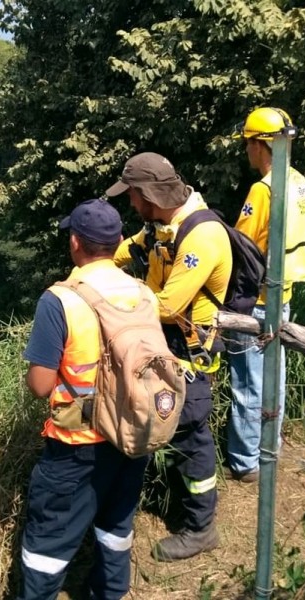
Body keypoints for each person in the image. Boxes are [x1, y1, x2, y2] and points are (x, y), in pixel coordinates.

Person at [18, 199, 155, 599]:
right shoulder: (143, 292)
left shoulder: (60, 300)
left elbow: (41, 385)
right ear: (116, 244)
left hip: (78, 444)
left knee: (47, 544)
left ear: (75, 242)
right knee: (115, 529)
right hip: (131, 434)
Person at [105, 152, 232, 562]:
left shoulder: (201, 236)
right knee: (173, 428)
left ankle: (200, 528)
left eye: (131, 195)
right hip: (168, 348)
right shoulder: (164, 226)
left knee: (191, 434)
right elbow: (129, 249)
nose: (129, 203)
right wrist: (98, 265)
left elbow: (167, 306)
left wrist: (111, 297)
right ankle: (183, 506)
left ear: (148, 194)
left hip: (190, 354)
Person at [225, 107, 305, 482]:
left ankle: (246, 461)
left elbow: (243, 245)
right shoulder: (297, 181)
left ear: (261, 144)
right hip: (284, 295)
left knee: (248, 382)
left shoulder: (262, 190)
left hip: (257, 302)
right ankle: (269, 446)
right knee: (273, 377)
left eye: (248, 143)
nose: (246, 150)